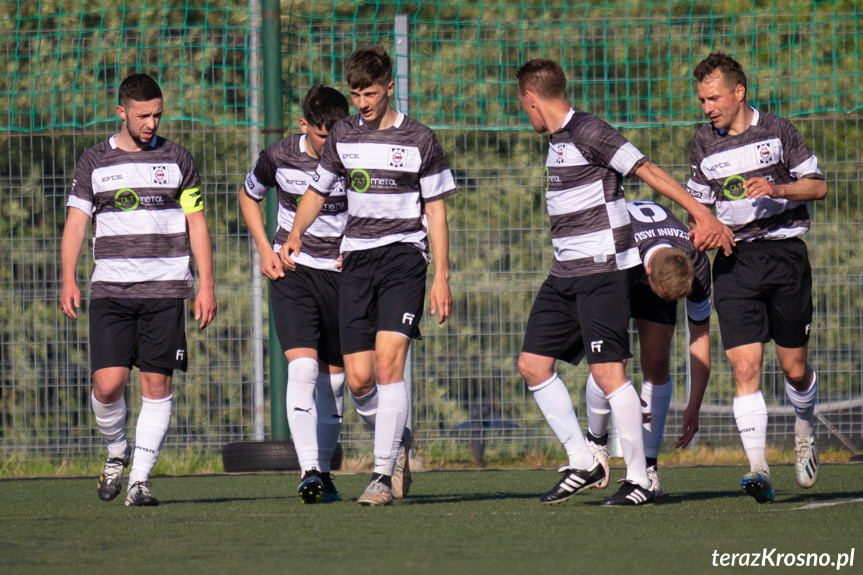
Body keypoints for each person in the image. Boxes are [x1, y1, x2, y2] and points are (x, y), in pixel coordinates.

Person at [514, 58, 732, 507]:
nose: (524, 112)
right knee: (533, 365)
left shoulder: (589, 130)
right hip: (563, 274)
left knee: (609, 374)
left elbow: (647, 171)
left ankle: (638, 477)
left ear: (532, 98)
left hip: (600, 272)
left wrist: (700, 212)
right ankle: (583, 459)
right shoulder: (557, 140)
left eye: (522, 104)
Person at [284, 46, 455, 506]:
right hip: (356, 262)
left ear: (390, 87)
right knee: (358, 380)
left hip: (403, 259)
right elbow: (318, 190)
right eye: (356, 93)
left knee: (387, 365)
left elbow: (435, 212)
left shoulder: (421, 138)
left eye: (371, 93)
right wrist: (296, 233)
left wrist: (441, 276)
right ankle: (396, 440)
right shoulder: (341, 133)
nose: (362, 102)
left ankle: (380, 476)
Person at [60, 74, 217, 507]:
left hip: (166, 290)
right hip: (110, 290)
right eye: (143, 115)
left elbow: (197, 223)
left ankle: (140, 481)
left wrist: (206, 284)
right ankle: (116, 452)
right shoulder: (94, 161)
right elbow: (76, 224)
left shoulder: (178, 158)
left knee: (156, 384)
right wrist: (68, 277)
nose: (152, 122)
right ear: (122, 111)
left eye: (158, 114)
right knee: (108, 385)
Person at [686, 53, 826, 503]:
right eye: (702, 99)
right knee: (744, 366)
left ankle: (804, 428)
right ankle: (758, 467)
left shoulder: (780, 131)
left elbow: (818, 186)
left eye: (713, 97)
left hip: (785, 256)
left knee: (795, 369)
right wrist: (704, 231)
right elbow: (697, 210)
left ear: (738, 92)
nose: (707, 107)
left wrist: (778, 189)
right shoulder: (703, 144)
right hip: (734, 261)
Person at [239, 85, 350, 504]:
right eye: (324, 136)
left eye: (337, 134)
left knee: (335, 385)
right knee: (302, 371)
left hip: (343, 279)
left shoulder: (355, 154)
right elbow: (248, 197)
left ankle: (325, 469)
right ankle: (309, 471)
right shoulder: (278, 156)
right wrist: (265, 250)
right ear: (304, 125)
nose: (331, 144)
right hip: (294, 273)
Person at [583, 199, 712, 499]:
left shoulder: (696, 262)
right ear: (650, 273)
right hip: (614, 265)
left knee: (656, 358)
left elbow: (699, 337)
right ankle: (597, 444)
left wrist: (695, 405)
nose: (669, 304)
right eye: (663, 296)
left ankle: (649, 467)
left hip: (651, 260)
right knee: (611, 359)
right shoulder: (620, 248)